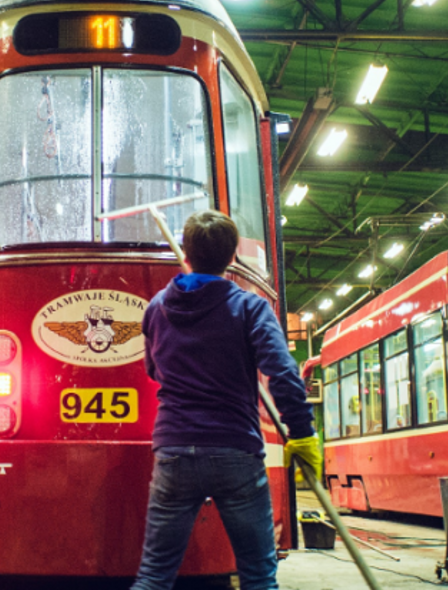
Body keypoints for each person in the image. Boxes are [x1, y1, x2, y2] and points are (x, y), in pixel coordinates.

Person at [130, 210, 322, 590]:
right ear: (233, 256)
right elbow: (282, 373)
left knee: (154, 575)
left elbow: (154, 370)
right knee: (257, 576)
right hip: (236, 451)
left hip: (175, 451)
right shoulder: (250, 309)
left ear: (185, 252)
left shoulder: (156, 309)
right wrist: (302, 433)